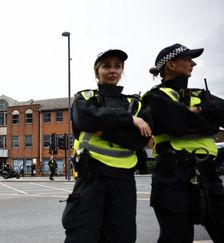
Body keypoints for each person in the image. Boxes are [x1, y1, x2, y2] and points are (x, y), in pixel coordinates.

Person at [62, 49, 152, 243]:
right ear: (97, 72)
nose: (113, 70)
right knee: (81, 234)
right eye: (106, 66)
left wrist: (101, 128)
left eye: (117, 66)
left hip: (124, 181)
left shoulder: (135, 103)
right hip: (92, 177)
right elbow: (86, 119)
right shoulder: (84, 98)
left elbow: (139, 140)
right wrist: (129, 120)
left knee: (121, 237)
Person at [142, 43, 224, 242]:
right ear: (171, 64)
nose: (193, 63)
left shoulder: (201, 96)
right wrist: (210, 122)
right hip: (172, 176)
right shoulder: (154, 97)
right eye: (188, 59)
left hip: (208, 174)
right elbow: (178, 123)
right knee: (176, 238)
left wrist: (203, 109)